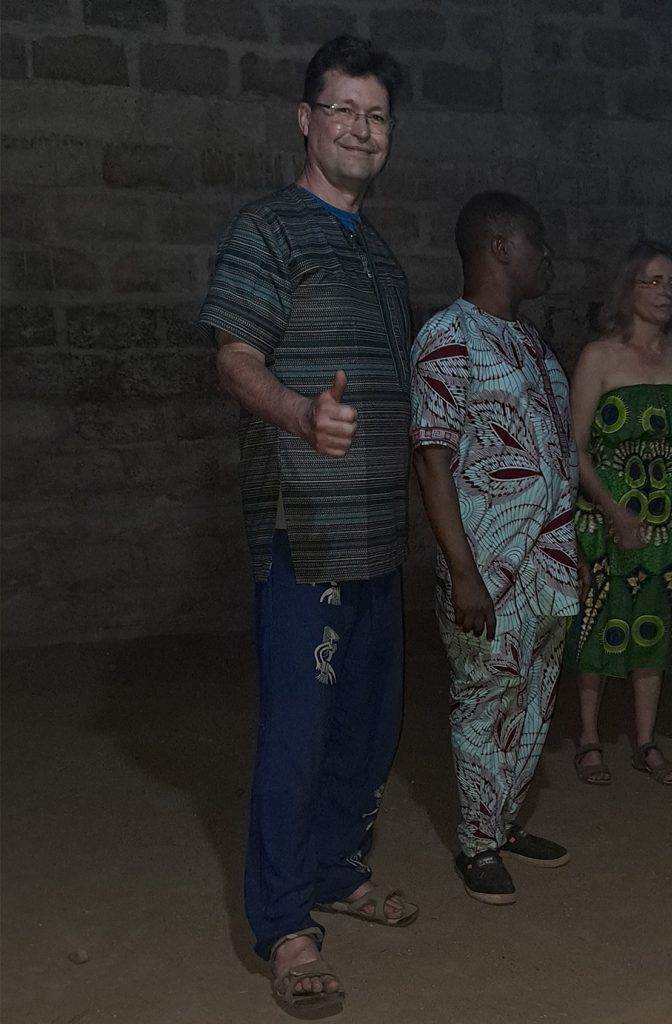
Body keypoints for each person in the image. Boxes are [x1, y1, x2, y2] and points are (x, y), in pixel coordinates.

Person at [198, 34, 418, 1016]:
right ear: (305, 118)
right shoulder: (267, 230)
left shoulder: (378, 252)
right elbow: (234, 358)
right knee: (297, 733)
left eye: (376, 116)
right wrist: (299, 414)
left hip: (378, 535)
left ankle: (336, 868)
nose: (361, 131)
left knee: (368, 728)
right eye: (343, 111)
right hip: (305, 533)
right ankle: (287, 925)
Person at [410, 192, 580, 905]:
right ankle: (476, 845)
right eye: (537, 242)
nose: (547, 257)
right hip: (487, 569)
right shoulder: (448, 337)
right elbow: (431, 460)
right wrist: (463, 571)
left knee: (534, 699)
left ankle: (504, 822)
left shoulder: (532, 343)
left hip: (548, 566)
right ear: (501, 247)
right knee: (485, 699)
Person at [569, 241, 672, 787]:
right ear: (628, 289)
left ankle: (646, 740)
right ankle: (589, 739)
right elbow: (575, 446)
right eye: (653, 281)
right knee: (601, 623)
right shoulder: (599, 357)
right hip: (607, 510)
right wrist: (613, 511)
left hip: (671, 513)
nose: (665, 292)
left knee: (656, 621)